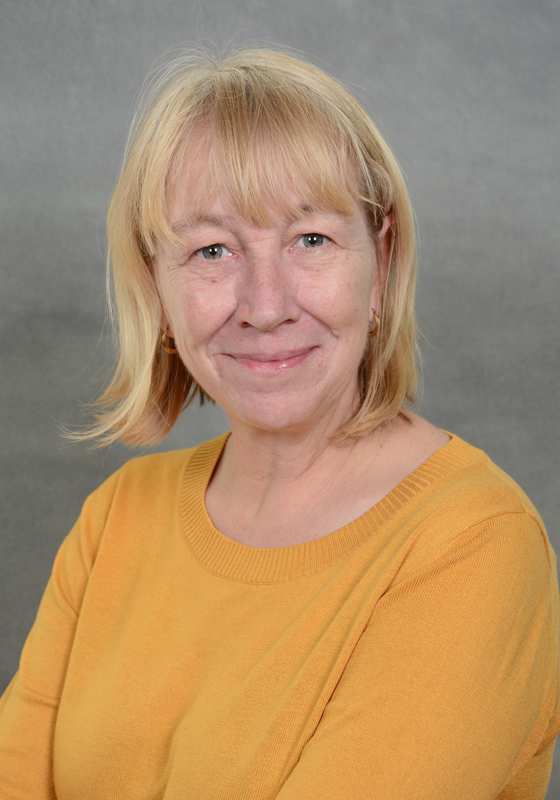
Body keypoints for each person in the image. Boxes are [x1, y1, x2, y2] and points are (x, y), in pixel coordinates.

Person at [0, 44, 558, 800]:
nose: (265, 306)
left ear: (381, 262)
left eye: (311, 239)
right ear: (157, 288)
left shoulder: (472, 543)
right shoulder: (116, 520)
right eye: (212, 250)